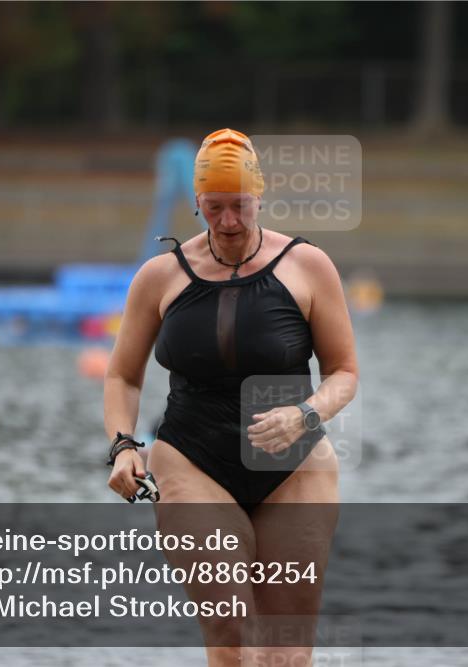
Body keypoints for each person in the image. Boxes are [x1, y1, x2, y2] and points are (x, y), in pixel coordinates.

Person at [103, 129, 358, 666]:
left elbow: (344, 373)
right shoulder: (159, 278)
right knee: (231, 632)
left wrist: (306, 415)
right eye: (214, 207)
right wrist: (124, 445)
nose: (229, 221)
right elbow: (123, 376)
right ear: (196, 202)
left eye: (239, 205)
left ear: (259, 196)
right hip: (193, 459)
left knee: (286, 651)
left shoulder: (308, 266)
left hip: (295, 463)